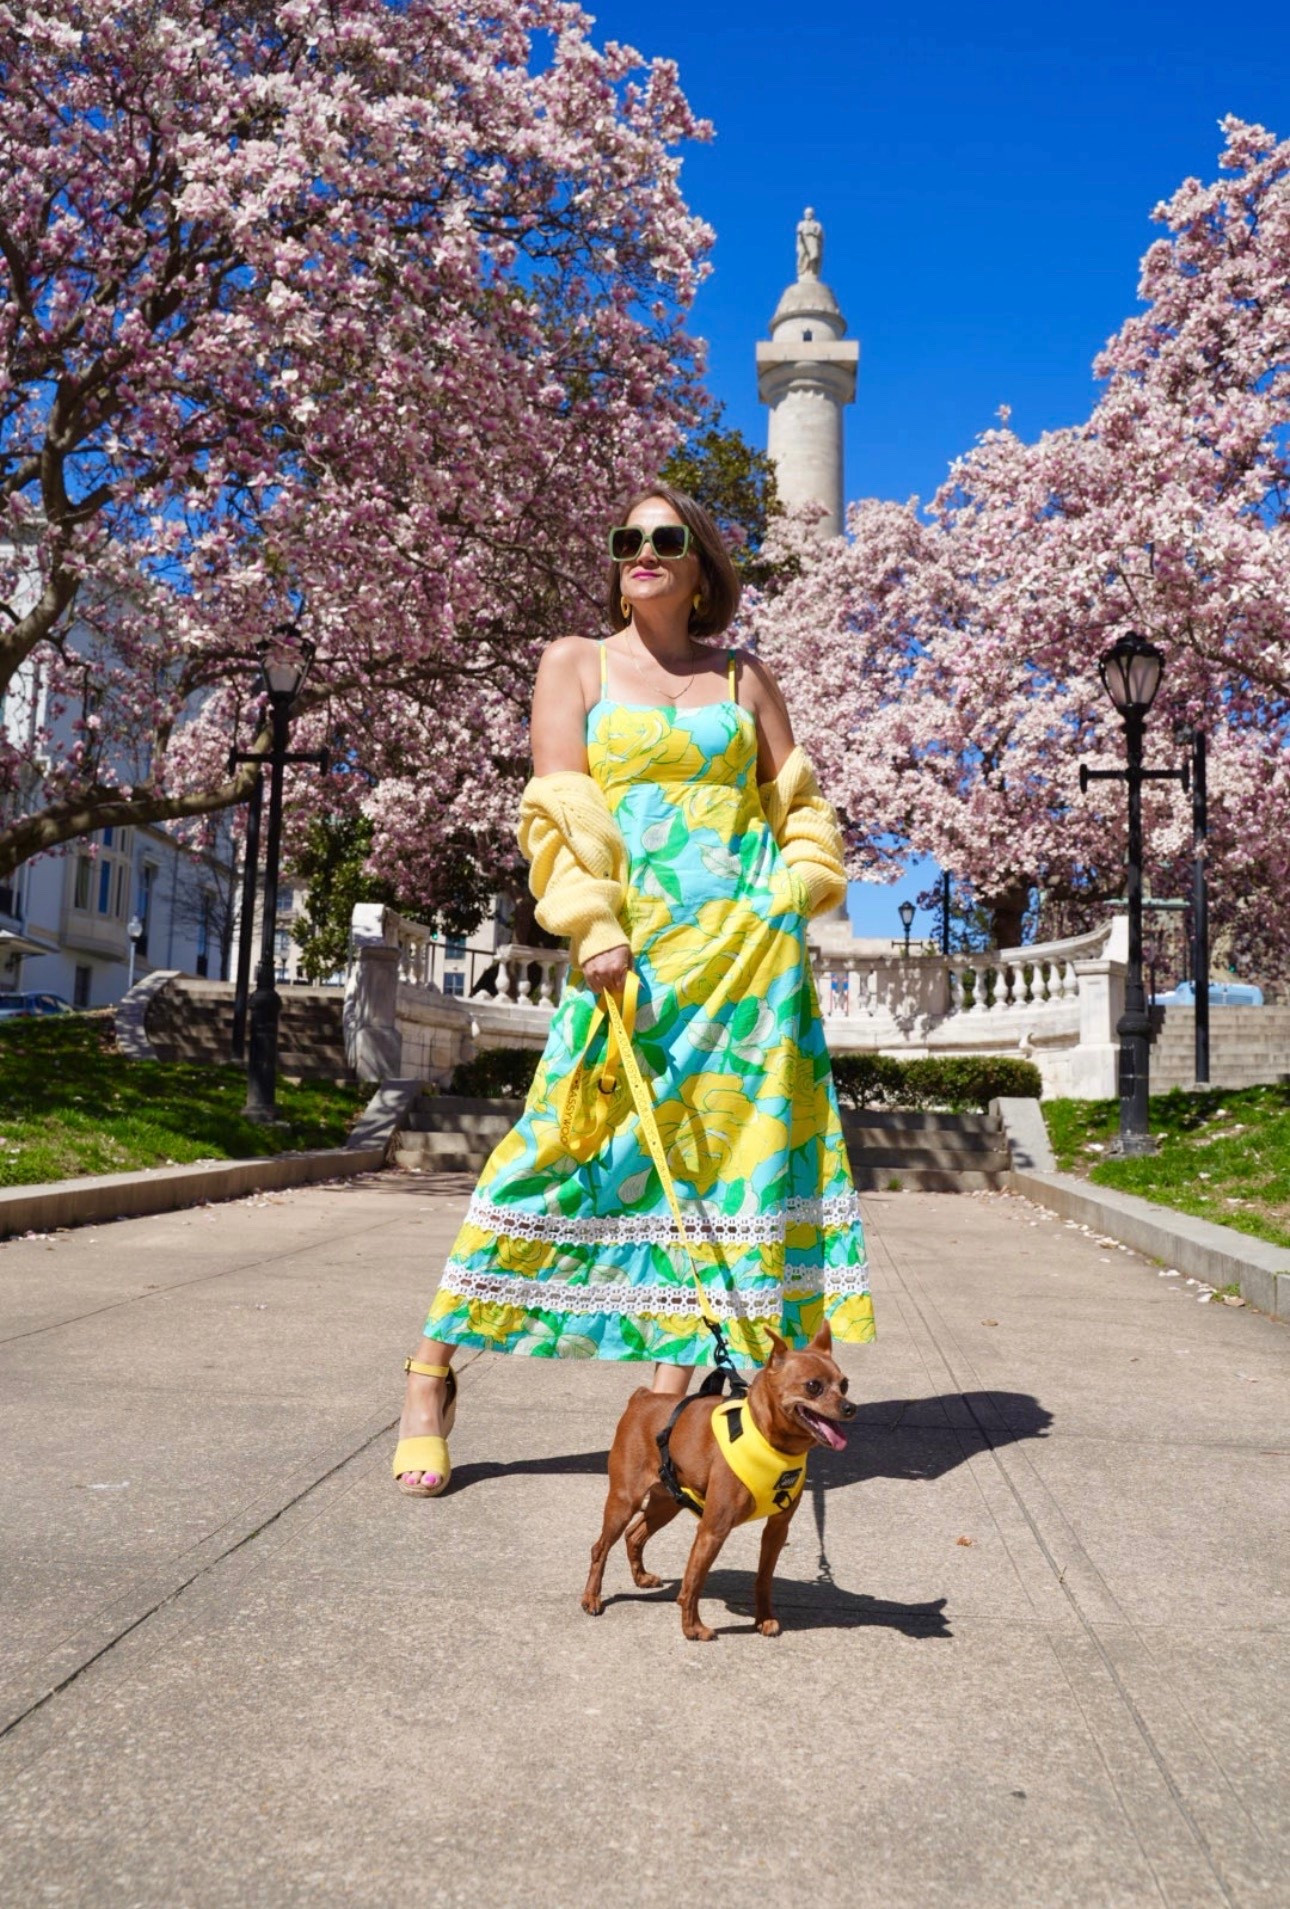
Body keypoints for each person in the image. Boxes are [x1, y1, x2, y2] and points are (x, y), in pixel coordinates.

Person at [393, 484, 874, 1495]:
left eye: (666, 538)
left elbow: (801, 806)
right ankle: (429, 1375)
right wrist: (594, 924)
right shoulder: (574, 662)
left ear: (702, 567)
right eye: (628, 539)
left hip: (748, 972)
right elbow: (557, 806)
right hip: (634, 959)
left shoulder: (744, 678)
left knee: (720, 1179)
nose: (643, 551)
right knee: (549, 1153)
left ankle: (665, 1421)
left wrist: (794, 889)